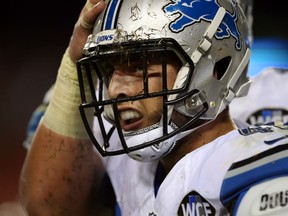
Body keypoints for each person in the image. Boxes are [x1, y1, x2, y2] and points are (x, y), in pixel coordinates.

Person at [18, 0, 288, 216]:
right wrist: (73, 64)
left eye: (139, 65)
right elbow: (48, 206)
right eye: (110, 69)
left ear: (210, 68)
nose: (114, 90)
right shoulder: (126, 164)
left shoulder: (255, 169)